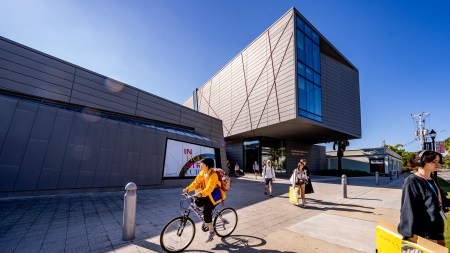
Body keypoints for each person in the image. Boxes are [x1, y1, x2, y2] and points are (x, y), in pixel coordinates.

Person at [398, 150, 448, 246]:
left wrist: (446, 205)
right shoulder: (412, 181)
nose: (437, 164)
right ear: (421, 162)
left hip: (437, 230)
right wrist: (409, 234)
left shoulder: (432, 180)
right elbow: (408, 208)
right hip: (424, 234)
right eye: (434, 161)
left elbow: (439, 201)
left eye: (438, 161)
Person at [183, 158, 226, 243]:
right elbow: (196, 182)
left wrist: (201, 194)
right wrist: (188, 189)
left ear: (206, 165)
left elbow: (209, 188)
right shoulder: (202, 172)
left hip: (214, 196)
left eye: (201, 164)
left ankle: (211, 232)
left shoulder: (213, 174)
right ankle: (208, 218)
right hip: (206, 194)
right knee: (197, 202)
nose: (200, 165)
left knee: (206, 211)